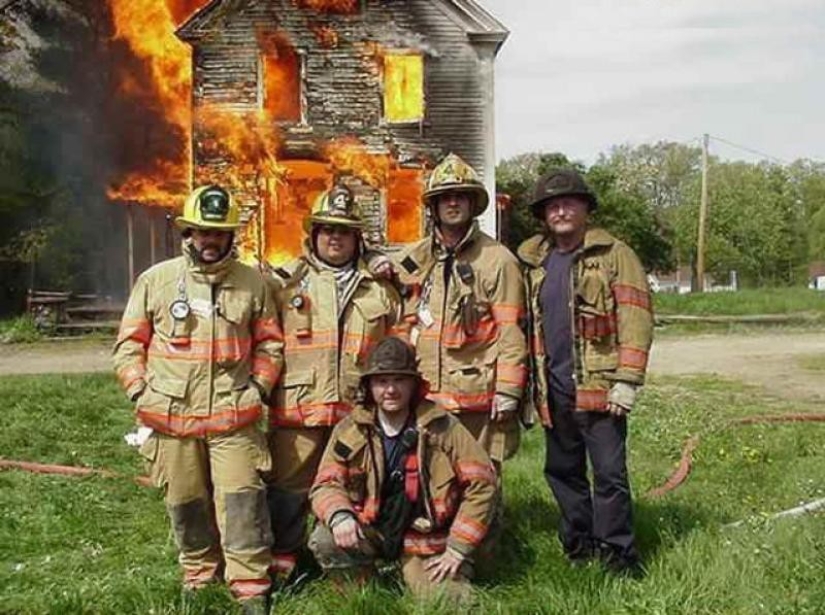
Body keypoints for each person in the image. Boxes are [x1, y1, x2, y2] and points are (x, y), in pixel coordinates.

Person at [113, 185, 283, 614]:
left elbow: (270, 346)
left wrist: (258, 388)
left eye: (219, 233)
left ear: (231, 237)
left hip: (234, 417)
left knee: (242, 502)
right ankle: (199, 574)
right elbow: (128, 345)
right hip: (171, 419)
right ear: (189, 233)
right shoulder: (156, 281)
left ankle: (249, 586)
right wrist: (139, 390)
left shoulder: (253, 283)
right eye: (203, 232)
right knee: (185, 502)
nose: (211, 241)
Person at [265, 184, 406, 582]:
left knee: (357, 486)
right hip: (299, 409)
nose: (334, 237)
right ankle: (285, 563)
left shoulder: (380, 290)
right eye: (327, 229)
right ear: (313, 235)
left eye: (344, 231)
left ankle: (351, 562)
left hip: (358, 413)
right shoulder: (285, 285)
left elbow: (401, 344)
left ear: (357, 238)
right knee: (288, 490)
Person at [518, 168, 654, 574]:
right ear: (543, 215)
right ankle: (579, 546)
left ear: (585, 209)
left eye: (568, 203)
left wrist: (627, 380)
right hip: (554, 389)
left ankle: (619, 556)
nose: (560, 211)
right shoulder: (533, 262)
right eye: (552, 206)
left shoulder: (615, 256)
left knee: (609, 476)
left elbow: (636, 318)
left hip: (600, 388)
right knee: (562, 471)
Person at [308, 336, 496, 602]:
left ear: (414, 385)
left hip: (426, 540)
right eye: (382, 381)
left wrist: (457, 548)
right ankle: (365, 592)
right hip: (370, 528)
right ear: (369, 386)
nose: (391, 390)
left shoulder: (442, 426)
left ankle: (428, 576)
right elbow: (326, 483)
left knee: (448, 604)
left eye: (399, 380)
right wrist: (340, 516)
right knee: (325, 539)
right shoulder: (350, 429)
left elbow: (483, 482)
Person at [393, 152, 527, 471]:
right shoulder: (416, 259)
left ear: (472, 204)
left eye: (460, 197)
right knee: (432, 480)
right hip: (426, 394)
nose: (452, 203)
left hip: (476, 399)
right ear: (434, 207)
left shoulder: (498, 260)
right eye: (445, 198)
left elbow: (511, 331)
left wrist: (508, 390)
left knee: (479, 479)